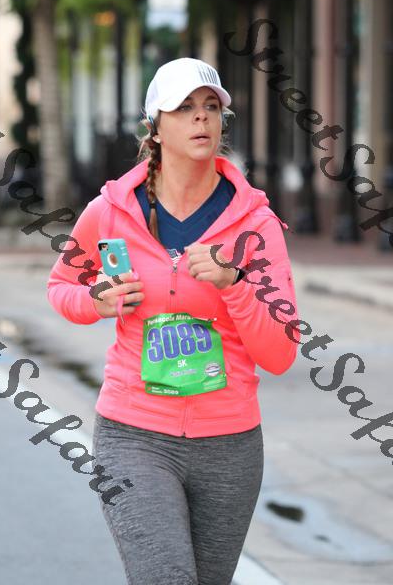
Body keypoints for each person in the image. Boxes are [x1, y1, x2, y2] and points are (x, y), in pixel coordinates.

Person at [47, 57, 299, 585]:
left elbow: (280, 354)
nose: (200, 118)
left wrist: (235, 286)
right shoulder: (111, 210)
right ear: (154, 128)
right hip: (133, 434)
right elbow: (61, 287)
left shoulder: (256, 225)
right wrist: (97, 300)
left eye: (210, 107)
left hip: (229, 445)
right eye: (183, 108)